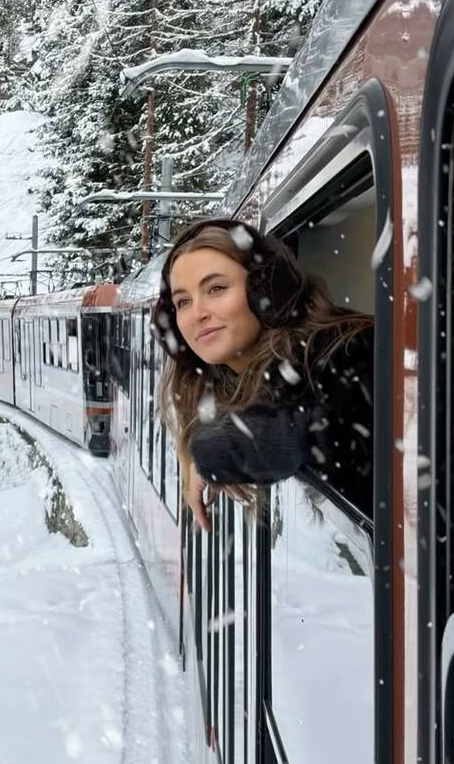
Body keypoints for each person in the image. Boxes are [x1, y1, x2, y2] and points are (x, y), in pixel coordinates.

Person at [151, 217, 374, 532]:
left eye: (216, 288)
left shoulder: (349, 349)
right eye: (183, 302)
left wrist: (210, 452)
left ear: (268, 289)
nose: (197, 313)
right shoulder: (234, 381)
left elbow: (307, 427)